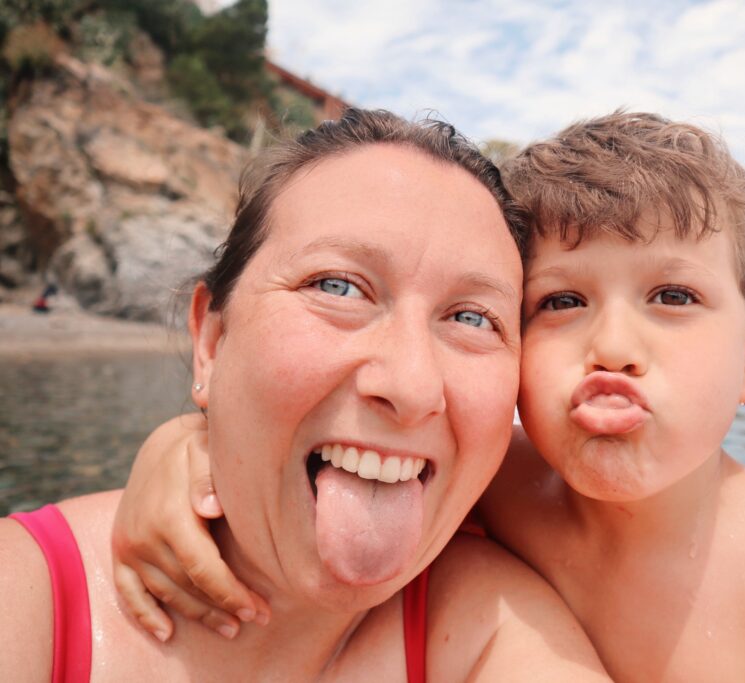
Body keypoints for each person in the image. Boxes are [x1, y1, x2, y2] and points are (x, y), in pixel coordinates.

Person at [110, 112, 745, 681]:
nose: (614, 347)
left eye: (671, 297)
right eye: (562, 302)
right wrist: (185, 446)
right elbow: (307, 436)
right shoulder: (501, 477)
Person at [0, 108, 609, 682]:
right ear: (212, 338)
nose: (411, 386)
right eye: (339, 286)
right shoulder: (26, 600)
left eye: (474, 319)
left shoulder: (493, 628)